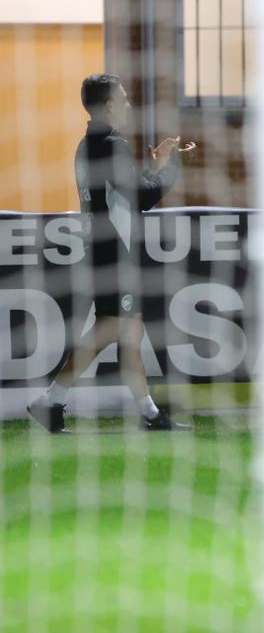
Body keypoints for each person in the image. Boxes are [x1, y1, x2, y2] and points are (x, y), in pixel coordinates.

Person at [27, 75, 193, 433]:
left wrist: (153, 168)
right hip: (114, 252)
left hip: (102, 247)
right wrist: (171, 166)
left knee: (130, 330)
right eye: (123, 98)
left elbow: (123, 195)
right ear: (108, 106)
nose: (128, 104)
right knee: (115, 327)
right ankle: (51, 400)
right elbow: (140, 198)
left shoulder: (88, 144)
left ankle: (148, 414)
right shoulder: (111, 144)